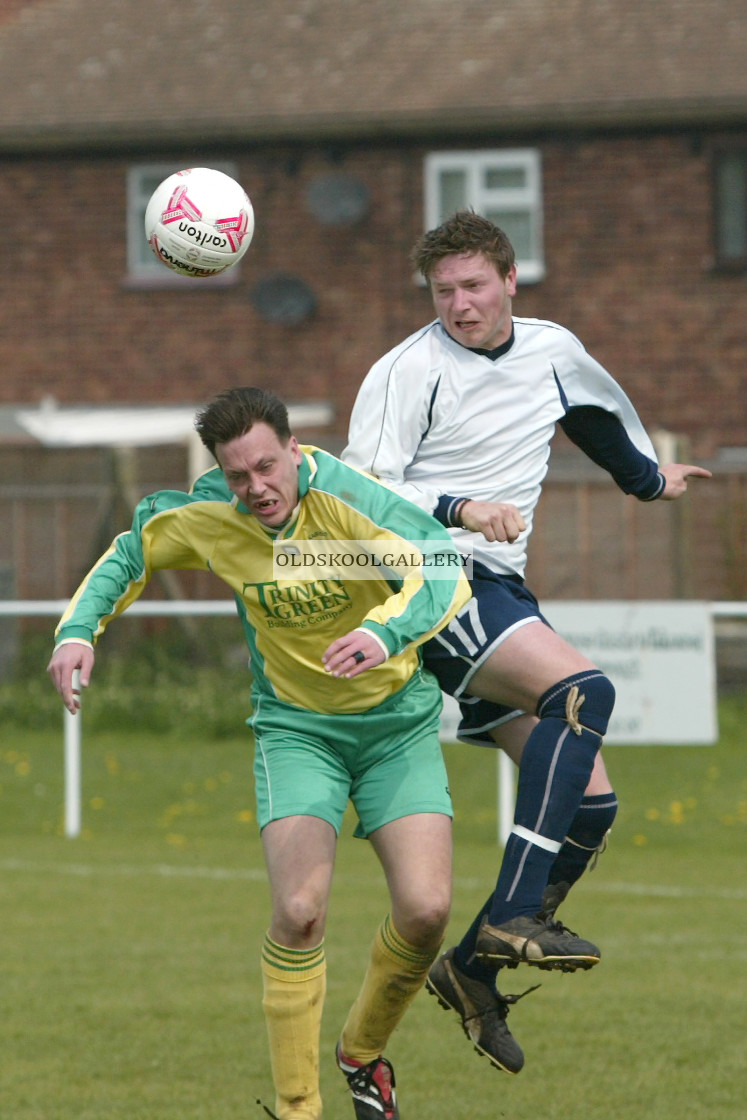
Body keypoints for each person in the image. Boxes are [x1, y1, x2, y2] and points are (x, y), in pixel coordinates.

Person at [342, 210, 711, 1075]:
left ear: (510, 280)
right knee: (584, 692)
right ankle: (514, 911)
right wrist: (459, 509)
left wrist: (649, 481)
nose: (460, 306)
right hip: (429, 578)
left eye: (474, 287)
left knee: (591, 804)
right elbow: (359, 495)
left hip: (498, 588)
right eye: (444, 293)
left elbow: (589, 414)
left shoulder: (549, 347)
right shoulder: (406, 371)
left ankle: (470, 971)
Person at [48, 387, 471, 1120]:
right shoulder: (212, 514)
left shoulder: (348, 500)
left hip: (395, 725)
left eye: (268, 468)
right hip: (296, 730)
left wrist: (384, 633)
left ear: (295, 452)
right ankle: (297, 1105)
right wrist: (77, 630)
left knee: (427, 911)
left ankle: (360, 1055)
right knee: (300, 910)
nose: (257, 488)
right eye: (238, 475)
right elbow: (130, 553)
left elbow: (439, 565)